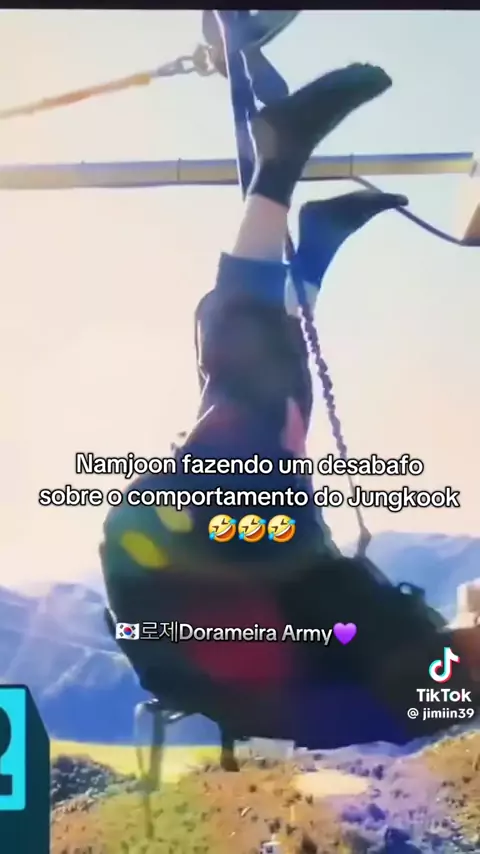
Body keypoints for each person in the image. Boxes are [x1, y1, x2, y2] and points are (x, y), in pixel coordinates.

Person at [101, 62, 479, 750]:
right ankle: (312, 252)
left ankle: (279, 161)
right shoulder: (419, 676)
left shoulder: (419, 684)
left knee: (253, 393)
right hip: (225, 581)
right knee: (277, 412)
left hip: (183, 584)